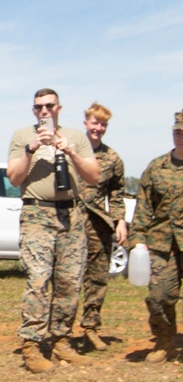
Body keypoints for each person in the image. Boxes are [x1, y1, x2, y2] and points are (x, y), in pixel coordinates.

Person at [6, 88, 98, 374]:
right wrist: (32, 149)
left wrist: (68, 149)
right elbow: (13, 177)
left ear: (59, 108)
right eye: (38, 107)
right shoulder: (23, 136)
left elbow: (93, 177)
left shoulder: (77, 137)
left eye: (49, 106)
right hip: (37, 213)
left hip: (71, 214)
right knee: (38, 279)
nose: (43, 111)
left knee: (69, 281)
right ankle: (32, 345)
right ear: (33, 110)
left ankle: (60, 340)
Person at [129, 110, 183, 364]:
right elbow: (143, 208)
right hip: (162, 244)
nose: (181, 137)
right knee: (159, 297)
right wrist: (138, 238)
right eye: (177, 133)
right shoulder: (156, 167)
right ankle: (164, 342)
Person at [76, 103, 128, 352]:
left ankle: (90, 328)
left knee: (97, 279)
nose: (98, 128)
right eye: (94, 123)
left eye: (103, 124)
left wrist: (119, 221)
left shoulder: (113, 158)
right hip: (69, 223)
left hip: (98, 224)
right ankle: (59, 331)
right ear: (85, 123)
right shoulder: (70, 149)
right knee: (66, 279)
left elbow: (117, 193)